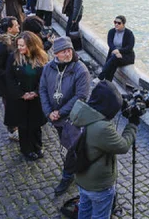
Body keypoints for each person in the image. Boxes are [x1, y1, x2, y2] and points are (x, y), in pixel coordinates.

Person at [71, 80, 138, 218]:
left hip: (81, 177)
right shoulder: (102, 128)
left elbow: (101, 118)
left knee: (84, 209)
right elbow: (123, 146)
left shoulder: (81, 111)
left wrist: (120, 103)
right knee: (100, 216)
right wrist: (132, 124)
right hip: (98, 185)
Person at [39, 37, 90, 195]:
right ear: (56, 54)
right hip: (55, 118)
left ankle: (68, 176)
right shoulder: (48, 68)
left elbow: (81, 96)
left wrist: (60, 112)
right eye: (63, 51)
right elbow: (42, 89)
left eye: (69, 50)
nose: (67, 54)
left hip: (72, 118)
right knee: (69, 144)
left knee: (73, 147)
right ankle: (78, 166)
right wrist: (49, 112)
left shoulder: (80, 70)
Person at [5, 31, 48, 160]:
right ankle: (26, 149)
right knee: (24, 126)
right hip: (20, 99)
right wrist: (21, 94)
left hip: (36, 98)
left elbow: (45, 79)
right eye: (18, 45)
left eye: (22, 45)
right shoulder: (13, 58)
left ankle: (37, 146)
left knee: (36, 124)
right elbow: (9, 78)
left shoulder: (42, 58)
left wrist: (35, 92)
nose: (19, 48)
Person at [0, 16, 21, 141]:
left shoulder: (10, 39)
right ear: (9, 29)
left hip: (10, 81)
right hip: (5, 84)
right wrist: (9, 75)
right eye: (16, 25)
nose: (18, 27)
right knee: (10, 106)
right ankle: (12, 130)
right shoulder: (0, 45)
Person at [97, 16, 135, 82]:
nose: (116, 24)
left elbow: (130, 47)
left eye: (119, 23)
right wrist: (116, 51)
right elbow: (110, 43)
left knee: (113, 59)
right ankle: (108, 81)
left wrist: (119, 51)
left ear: (123, 24)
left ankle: (101, 77)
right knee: (114, 60)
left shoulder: (129, 33)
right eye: (115, 22)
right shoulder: (111, 32)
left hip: (126, 56)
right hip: (115, 55)